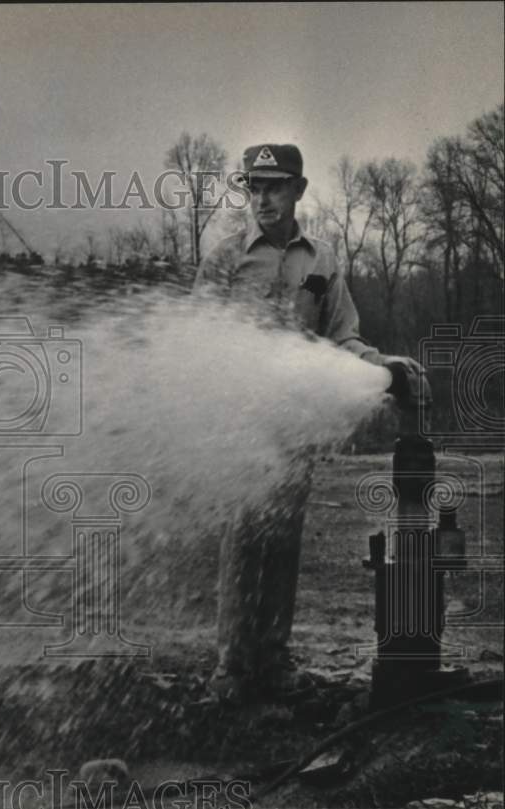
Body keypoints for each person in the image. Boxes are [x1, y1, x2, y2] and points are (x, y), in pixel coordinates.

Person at [192, 143, 428, 703]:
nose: (262, 198)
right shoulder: (226, 259)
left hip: (294, 426)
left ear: (298, 190)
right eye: (253, 186)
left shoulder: (320, 261)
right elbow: (198, 342)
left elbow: (341, 336)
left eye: (274, 186)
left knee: (283, 540)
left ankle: (272, 659)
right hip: (241, 423)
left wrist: (381, 365)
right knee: (243, 538)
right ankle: (232, 665)